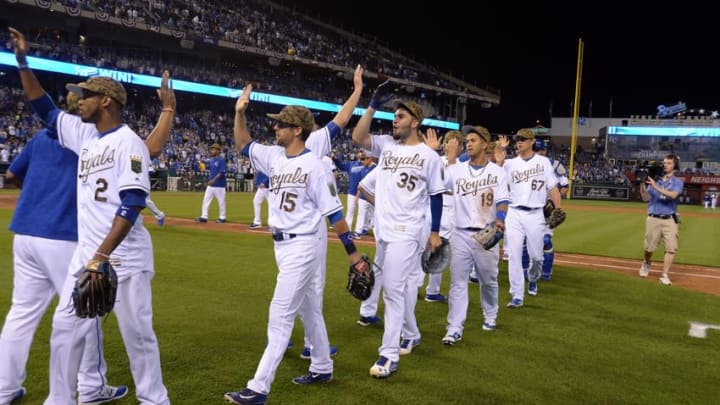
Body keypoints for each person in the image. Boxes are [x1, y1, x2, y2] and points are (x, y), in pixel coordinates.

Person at [10, 27, 172, 405]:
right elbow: (43, 108)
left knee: (139, 339)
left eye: (85, 95)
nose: (77, 100)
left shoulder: (127, 142)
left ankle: (154, 400)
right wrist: (22, 62)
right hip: (87, 258)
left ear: (107, 102)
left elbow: (131, 202)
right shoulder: (84, 137)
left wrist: (101, 256)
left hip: (124, 261)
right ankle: (62, 399)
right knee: (66, 331)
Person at [225, 85, 368, 405]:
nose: (274, 127)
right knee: (309, 309)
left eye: (281, 124)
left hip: (303, 245)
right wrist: (239, 112)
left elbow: (335, 214)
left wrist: (353, 254)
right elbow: (243, 144)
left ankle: (258, 387)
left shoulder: (314, 165)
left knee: (280, 314)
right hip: (282, 246)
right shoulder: (274, 156)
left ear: (297, 130)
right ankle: (322, 366)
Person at [1, 93, 130, 405]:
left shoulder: (38, 139)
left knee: (21, 314)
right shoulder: (89, 140)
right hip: (65, 236)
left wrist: (39, 190)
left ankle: (4, 388)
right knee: (85, 311)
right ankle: (91, 387)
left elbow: (10, 176)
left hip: (27, 232)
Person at [352, 96, 445, 378]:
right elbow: (358, 136)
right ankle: (412, 333)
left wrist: (434, 232)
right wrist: (371, 106)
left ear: (415, 122)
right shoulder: (387, 147)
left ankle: (388, 356)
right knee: (398, 288)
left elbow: (436, 195)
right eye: (394, 116)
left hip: (408, 231)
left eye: (401, 116)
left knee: (392, 290)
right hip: (384, 231)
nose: (395, 120)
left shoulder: (429, 156)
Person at [440, 125, 508, 344]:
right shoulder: (457, 169)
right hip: (459, 233)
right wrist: (446, 157)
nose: (468, 143)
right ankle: (454, 327)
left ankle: (490, 314)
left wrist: (500, 220)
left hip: (485, 233)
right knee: (458, 282)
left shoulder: (497, 172)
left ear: (484, 144)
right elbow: (436, 184)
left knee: (488, 280)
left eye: (473, 140)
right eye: (467, 140)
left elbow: (503, 200)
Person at [496, 129, 562, 307]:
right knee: (514, 256)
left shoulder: (543, 162)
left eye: (523, 140)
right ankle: (517, 295)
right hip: (514, 212)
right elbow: (495, 173)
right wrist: (500, 155)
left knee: (537, 256)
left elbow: (553, 187)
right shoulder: (509, 163)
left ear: (532, 141)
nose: (519, 142)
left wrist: (559, 208)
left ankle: (533, 279)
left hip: (535, 214)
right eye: (518, 139)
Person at [524, 139, 569, 281]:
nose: (539, 153)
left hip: (547, 210)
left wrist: (553, 202)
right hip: (529, 207)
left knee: (546, 240)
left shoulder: (555, 165)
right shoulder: (525, 164)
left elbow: (565, 187)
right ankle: (525, 272)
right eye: (537, 150)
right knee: (525, 240)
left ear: (545, 151)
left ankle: (546, 273)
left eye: (541, 150)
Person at [638, 154, 684, 286]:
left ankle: (665, 275)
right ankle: (646, 263)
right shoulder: (655, 180)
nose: (665, 165)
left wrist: (655, 186)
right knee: (649, 248)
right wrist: (642, 183)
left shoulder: (677, 182)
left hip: (670, 218)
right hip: (653, 218)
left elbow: (673, 195)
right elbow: (646, 198)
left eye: (669, 163)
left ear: (674, 166)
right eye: (664, 162)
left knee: (671, 248)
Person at [196, 143, 227, 223]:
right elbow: (212, 171)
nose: (212, 150)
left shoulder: (221, 160)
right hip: (211, 185)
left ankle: (222, 217)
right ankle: (204, 216)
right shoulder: (212, 160)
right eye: (211, 149)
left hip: (219, 185)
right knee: (206, 200)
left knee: (221, 202)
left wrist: (213, 180)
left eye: (213, 149)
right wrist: (203, 168)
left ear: (218, 151)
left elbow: (221, 172)